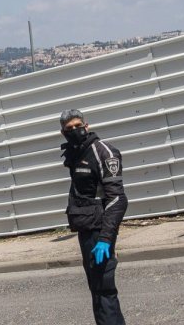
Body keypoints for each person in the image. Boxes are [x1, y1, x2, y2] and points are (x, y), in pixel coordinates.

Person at [60, 109, 128, 325]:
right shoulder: (77, 152)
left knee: (104, 291)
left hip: (100, 231)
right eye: (68, 129)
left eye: (77, 125)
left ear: (86, 126)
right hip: (86, 229)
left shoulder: (103, 152)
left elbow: (118, 199)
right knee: (98, 292)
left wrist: (106, 239)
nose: (74, 131)